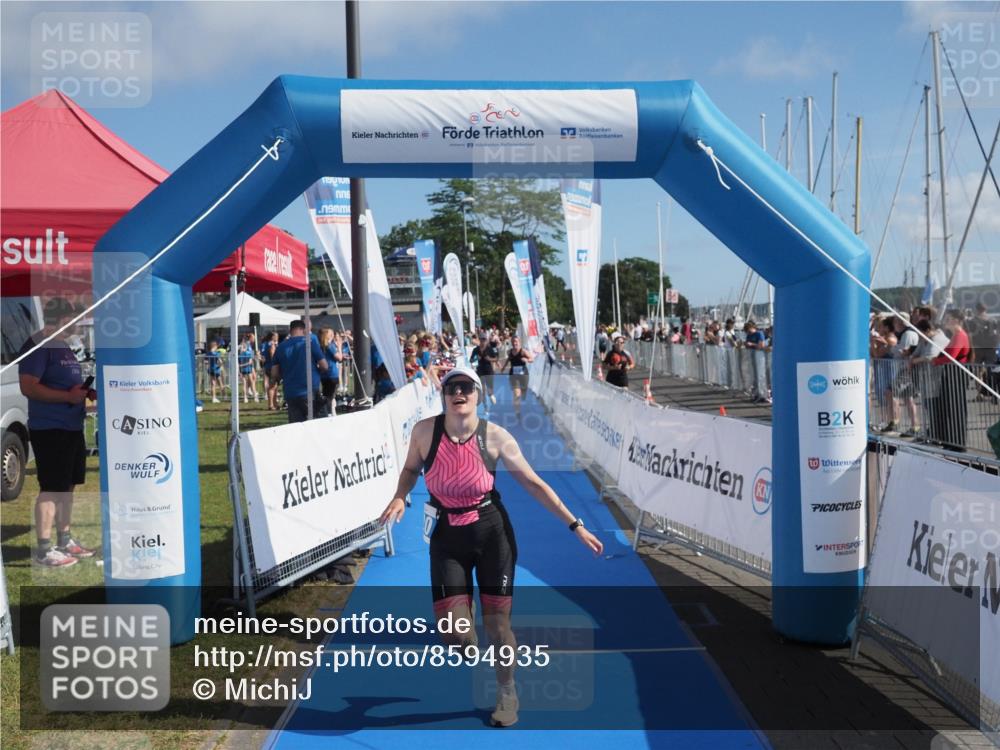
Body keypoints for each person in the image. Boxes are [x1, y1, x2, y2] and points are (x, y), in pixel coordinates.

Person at [379, 367, 604, 728]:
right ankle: (468, 641)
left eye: (466, 387)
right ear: (444, 395)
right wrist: (401, 497)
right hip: (447, 534)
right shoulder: (425, 432)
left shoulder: (496, 437)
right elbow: (409, 470)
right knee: (453, 632)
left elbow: (533, 483)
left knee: (498, 627)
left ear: (478, 394)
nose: (459, 393)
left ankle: (506, 692)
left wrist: (574, 524)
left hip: (490, 533)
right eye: (452, 387)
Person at [18, 300, 97, 568]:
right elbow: (28, 387)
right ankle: (43, 549)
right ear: (62, 318)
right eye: (74, 318)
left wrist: (83, 394)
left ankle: (65, 540)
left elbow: (65, 385)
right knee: (51, 488)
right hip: (50, 428)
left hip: (72, 426)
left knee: (68, 487)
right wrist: (67, 395)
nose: (78, 323)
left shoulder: (63, 346)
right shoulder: (40, 345)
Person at [270, 320, 329, 423]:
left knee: (296, 427)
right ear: (303, 329)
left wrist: (283, 377)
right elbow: (324, 366)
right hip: (310, 390)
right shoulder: (309, 343)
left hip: (290, 392)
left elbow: (274, 373)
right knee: (319, 424)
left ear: (291, 330)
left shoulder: (280, 347)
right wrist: (317, 371)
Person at [932, 309, 972, 451]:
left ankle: (958, 443)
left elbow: (951, 356)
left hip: (956, 375)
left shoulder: (960, 336)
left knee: (956, 408)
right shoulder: (956, 335)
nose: (945, 321)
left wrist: (935, 361)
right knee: (950, 408)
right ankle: (951, 440)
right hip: (951, 374)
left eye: (948, 318)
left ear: (955, 320)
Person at [504, 336, 534, 420]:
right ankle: (518, 412)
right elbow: (508, 359)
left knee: (523, 390)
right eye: (513, 341)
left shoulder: (523, 351)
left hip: (523, 374)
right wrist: (503, 367)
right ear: (511, 342)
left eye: (516, 341)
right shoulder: (509, 351)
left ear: (519, 342)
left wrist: (527, 360)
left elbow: (532, 358)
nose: (515, 343)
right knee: (517, 394)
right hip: (513, 375)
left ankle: (523, 392)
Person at [470, 333, 499, 412]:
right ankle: (486, 407)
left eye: (484, 340)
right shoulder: (476, 349)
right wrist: (476, 358)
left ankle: (491, 395)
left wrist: (489, 359)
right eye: (481, 339)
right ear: (479, 340)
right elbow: (471, 360)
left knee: (490, 392)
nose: (483, 341)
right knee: (482, 391)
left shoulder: (489, 349)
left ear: (486, 340)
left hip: (489, 371)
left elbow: (496, 358)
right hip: (480, 371)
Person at [318, 328, 343, 415]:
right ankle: (329, 413)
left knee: (328, 395)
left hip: (324, 375)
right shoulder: (329, 346)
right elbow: (339, 358)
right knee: (331, 396)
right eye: (331, 334)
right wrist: (339, 347)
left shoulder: (320, 346)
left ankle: (330, 412)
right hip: (332, 374)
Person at [260, 331, 280, 410]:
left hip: (267, 366)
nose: (277, 337)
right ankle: (271, 405)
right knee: (272, 386)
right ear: (273, 337)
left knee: (274, 386)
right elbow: (272, 355)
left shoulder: (265, 344)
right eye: (276, 336)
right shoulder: (272, 344)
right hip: (272, 367)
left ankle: (275, 403)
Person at [237, 335, 257, 404]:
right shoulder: (243, 349)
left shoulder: (245, 349)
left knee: (249, 382)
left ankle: (251, 397)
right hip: (246, 368)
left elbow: (250, 358)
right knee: (248, 383)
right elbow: (249, 361)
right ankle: (249, 397)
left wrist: (240, 366)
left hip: (246, 368)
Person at [206, 339, 223, 403]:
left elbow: (206, 361)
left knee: (213, 384)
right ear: (214, 346)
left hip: (211, 369)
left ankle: (214, 398)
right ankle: (223, 395)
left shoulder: (208, 353)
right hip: (216, 369)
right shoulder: (216, 353)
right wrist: (220, 366)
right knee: (220, 383)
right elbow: (220, 362)